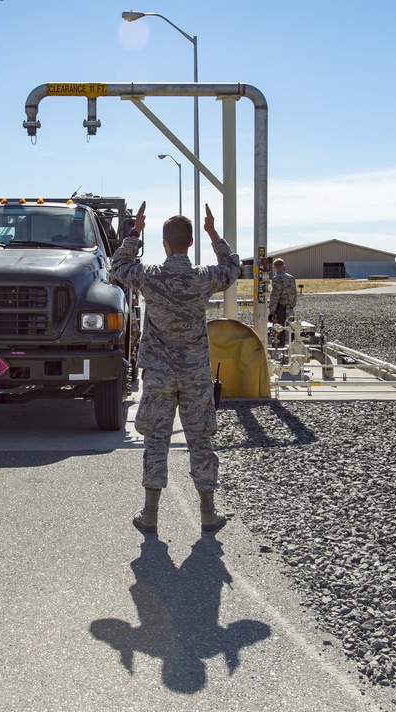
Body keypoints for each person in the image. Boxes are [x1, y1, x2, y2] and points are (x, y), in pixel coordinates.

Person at [111, 201, 240, 534]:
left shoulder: (151, 276)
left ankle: (150, 514)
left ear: (164, 244)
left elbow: (118, 266)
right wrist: (214, 234)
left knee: (156, 440)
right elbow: (231, 268)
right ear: (191, 243)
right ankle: (208, 514)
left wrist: (135, 232)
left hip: (158, 374)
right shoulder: (203, 277)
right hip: (195, 373)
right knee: (201, 440)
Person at [268, 258, 298, 348]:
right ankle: (290, 352)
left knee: (279, 332)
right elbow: (295, 295)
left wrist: (272, 312)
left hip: (281, 310)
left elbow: (274, 296)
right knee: (289, 332)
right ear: (284, 266)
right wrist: (291, 306)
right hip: (290, 310)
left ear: (274, 268)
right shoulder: (291, 278)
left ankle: (280, 353)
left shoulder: (277, 279)